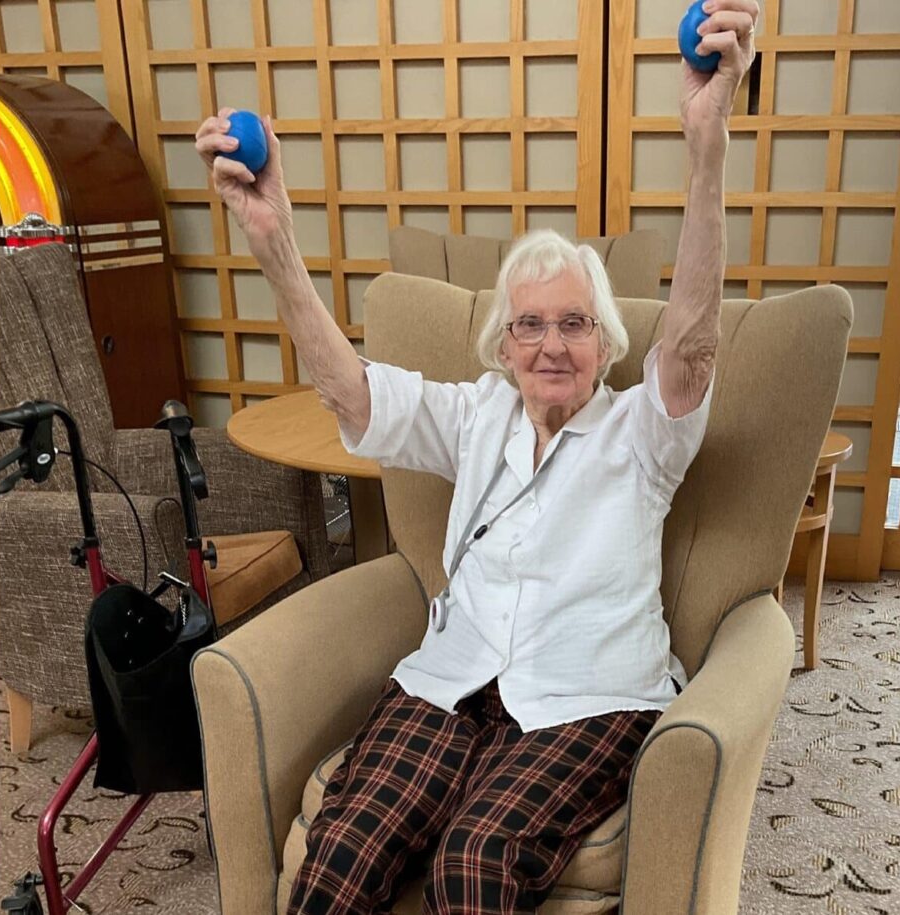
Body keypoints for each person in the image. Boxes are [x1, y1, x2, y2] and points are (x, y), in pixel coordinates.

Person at [195, 2, 760, 912]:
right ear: (502, 346)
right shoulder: (476, 414)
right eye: (529, 324)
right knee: (342, 848)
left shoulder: (642, 432)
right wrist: (275, 245)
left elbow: (693, 342)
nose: (550, 345)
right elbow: (353, 394)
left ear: (607, 341)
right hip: (451, 677)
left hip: (590, 691)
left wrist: (708, 143)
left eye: (574, 323)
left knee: (474, 860)